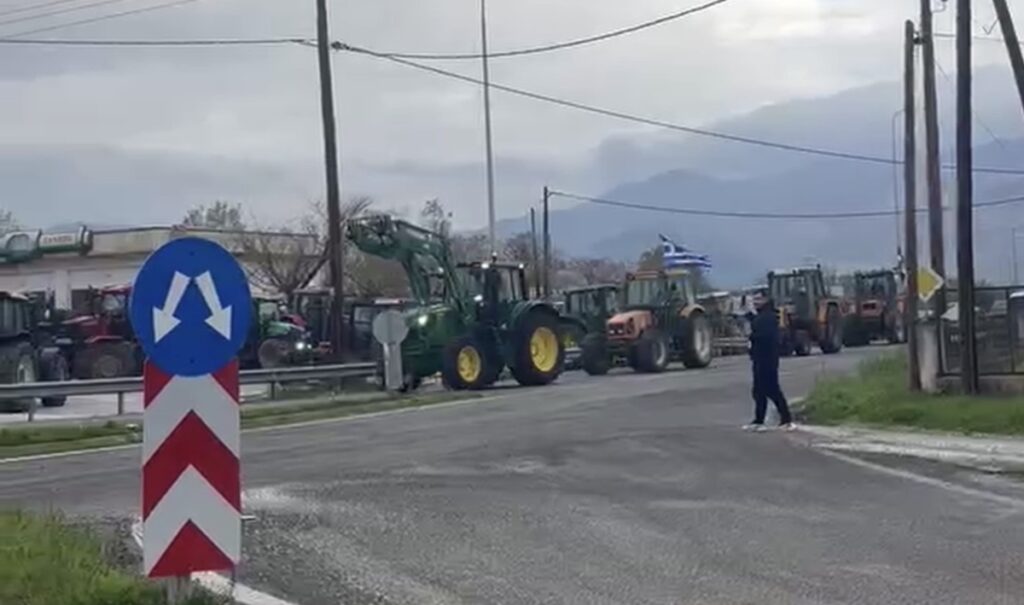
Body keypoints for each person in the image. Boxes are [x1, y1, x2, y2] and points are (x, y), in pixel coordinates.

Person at [744, 291, 794, 432]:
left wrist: (752, 336)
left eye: (759, 299)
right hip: (759, 358)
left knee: (771, 389)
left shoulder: (769, 317)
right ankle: (759, 420)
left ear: (766, 300)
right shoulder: (761, 316)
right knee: (759, 391)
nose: (755, 302)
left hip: (767, 358)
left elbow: (765, 336)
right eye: (754, 299)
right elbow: (757, 324)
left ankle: (786, 419)